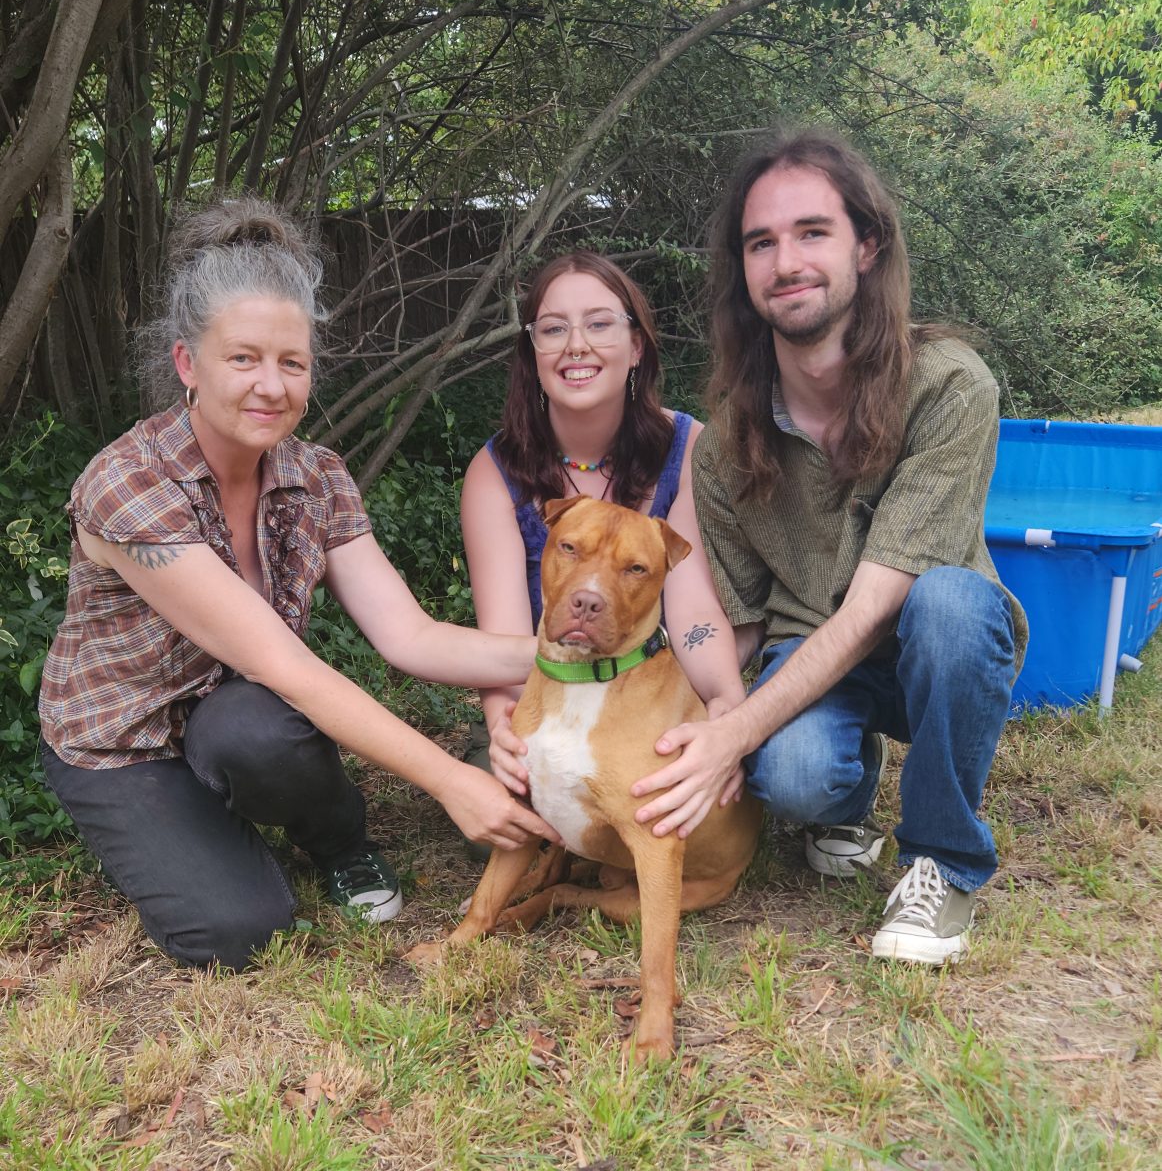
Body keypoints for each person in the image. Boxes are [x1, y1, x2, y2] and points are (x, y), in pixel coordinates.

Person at [37, 200, 558, 972]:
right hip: (123, 744)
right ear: (188, 363)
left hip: (233, 716)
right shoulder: (129, 485)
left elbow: (411, 637)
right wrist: (454, 780)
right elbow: (289, 668)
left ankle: (337, 839)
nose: (270, 386)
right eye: (242, 358)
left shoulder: (317, 478)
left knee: (256, 731)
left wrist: (583, 656)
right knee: (236, 931)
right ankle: (195, 830)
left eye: (293, 362)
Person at [630, 130, 1027, 966]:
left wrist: (731, 740)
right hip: (809, 645)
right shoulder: (727, 440)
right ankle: (845, 785)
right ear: (744, 269)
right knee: (799, 778)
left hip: (929, 634)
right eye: (761, 242)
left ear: (867, 246)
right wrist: (714, 719)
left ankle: (939, 863)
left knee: (950, 606)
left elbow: (879, 602)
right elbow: (733, 620)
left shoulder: (951, 385)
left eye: (812, 232)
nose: (786, 261)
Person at [461, 252, 747, 837]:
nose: (576, 345)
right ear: (532, 350)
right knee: (509, 823)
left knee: (687, 803)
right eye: (553, 328)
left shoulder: (688, 448)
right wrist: (503, 726)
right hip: (547, 689)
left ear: (636, 344)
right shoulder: (495, 472)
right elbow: (506, 643)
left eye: (598, 323)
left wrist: (726, 707)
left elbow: (692, 608)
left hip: (652, 689)